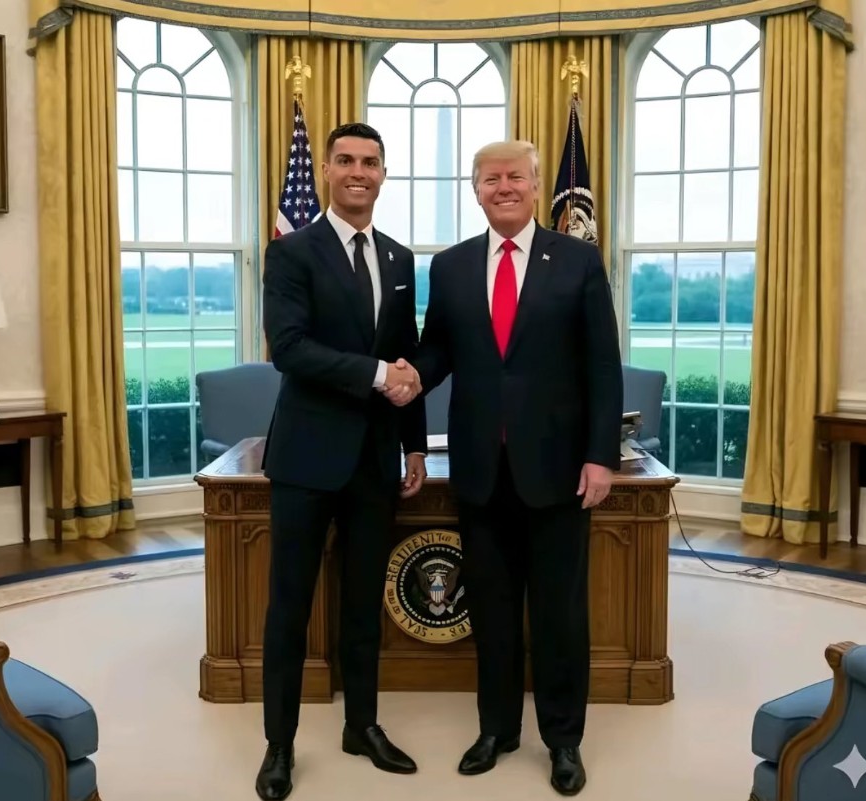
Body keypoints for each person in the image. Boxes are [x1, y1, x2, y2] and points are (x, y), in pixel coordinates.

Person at [388, 140, 623, 795]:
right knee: (489, 610)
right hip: (479, 470)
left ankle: (562, 739)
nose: (503, 187)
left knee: (557, 614)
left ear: (534, 182)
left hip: (556, 470)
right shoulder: (454, 265)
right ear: (476, 189)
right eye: (490, 178)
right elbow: (438, 348)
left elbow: (603, 365)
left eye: (514, 176)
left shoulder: (576, 259)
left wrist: (599, 454)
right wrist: (409, 375)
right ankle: (496, 729)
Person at [257, 122, 427, 801]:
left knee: (363, 604)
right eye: (347, 161)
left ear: (383, 174)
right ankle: (278, 746)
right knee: (288, 608)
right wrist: (376, 372)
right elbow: (289, 349)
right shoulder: (292, 251)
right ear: (326, 170)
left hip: (372, 461)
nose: (359, 172)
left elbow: (406, 357)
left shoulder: (400, 258)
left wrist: (412, 442)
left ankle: (362, 726)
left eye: (372, 162)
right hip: (305, 456)